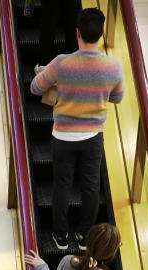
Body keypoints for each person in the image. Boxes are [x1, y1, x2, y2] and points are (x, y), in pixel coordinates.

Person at [29, 8, 125, 250]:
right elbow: (118, 98)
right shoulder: (113, 66)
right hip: (93, 136)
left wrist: (47, 77)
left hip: (62, 135)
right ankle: (84, 237)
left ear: (77, 32)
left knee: (62, 184)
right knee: (91, 185)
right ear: (102, 34)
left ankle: (60, 236)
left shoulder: (62, 62)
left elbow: (35, 89)